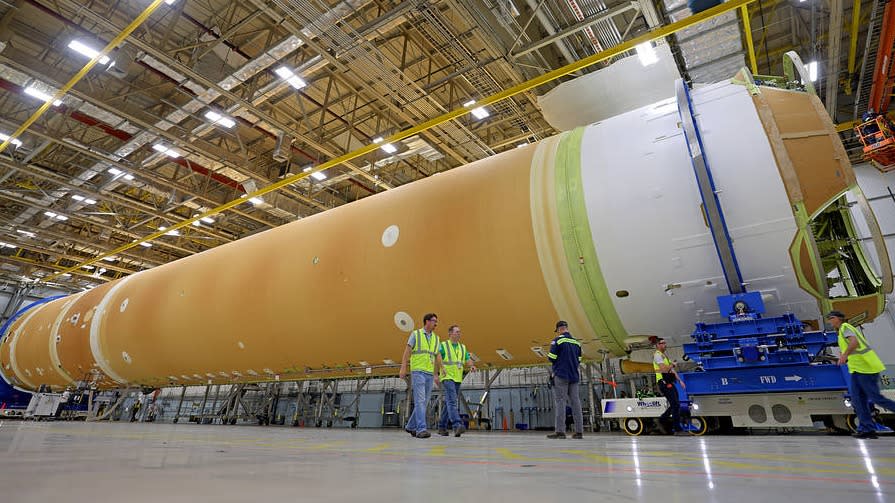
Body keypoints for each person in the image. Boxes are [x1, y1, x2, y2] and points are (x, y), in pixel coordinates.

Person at [828, 310, 895, 439]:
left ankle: (867, 427)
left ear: (837, 318)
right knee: (858, 400)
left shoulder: (845, 328)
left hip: (866, 368)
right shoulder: (841, 331)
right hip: (857, 369)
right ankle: (867, 429)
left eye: (831, 318)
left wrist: (844, 355)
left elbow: (854, 342)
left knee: (875, 398)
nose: (829, 321)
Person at [399, 313, 442, 439]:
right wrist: (403, 367)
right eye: (434, 321)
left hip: (429, 373)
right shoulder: (416, 334)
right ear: (427, 322)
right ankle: (421, 429)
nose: (436, 324)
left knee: (425, 401)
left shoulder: (436, 338)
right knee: (420, 401)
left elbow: (436, 355)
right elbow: (407, 351)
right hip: (418, 371)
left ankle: (411, 426)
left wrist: (439, 371)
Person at [437, 325, 476, 437]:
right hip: (447, 377)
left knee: (449, 402)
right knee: (452, 401)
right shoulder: (443, 346)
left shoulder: (462, 347)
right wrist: (437, 373)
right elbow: (438, 358)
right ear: (450, 333)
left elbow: (467, 358)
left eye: (460, 332)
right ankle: (457, 425)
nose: (459, 333)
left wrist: (471, 366)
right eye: (457, 332)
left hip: (458, 378)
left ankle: (441, 427)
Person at [546, 321, 583, 439]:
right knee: (576, 403)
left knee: (560, 402)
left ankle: (560, 432)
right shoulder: (577, 343)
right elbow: (579, 359)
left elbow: (551, 358)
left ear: (559, 330)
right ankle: (579, 432)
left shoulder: (557, 341)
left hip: (561, 375)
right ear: (566, 328)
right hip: (574, 376)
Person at [654, 337, 686, 434]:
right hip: (663, 382)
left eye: (665, 343)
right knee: (675, 404)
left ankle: (662, 420)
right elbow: (664, 369)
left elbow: (671, 370)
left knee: (675, 404)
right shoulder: (657, 355)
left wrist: (680, 381)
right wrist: (673, 365)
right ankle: (677, 428)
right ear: (657, 345)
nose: (665, 345)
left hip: (669, 381)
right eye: (662, 343)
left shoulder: (664, 356)